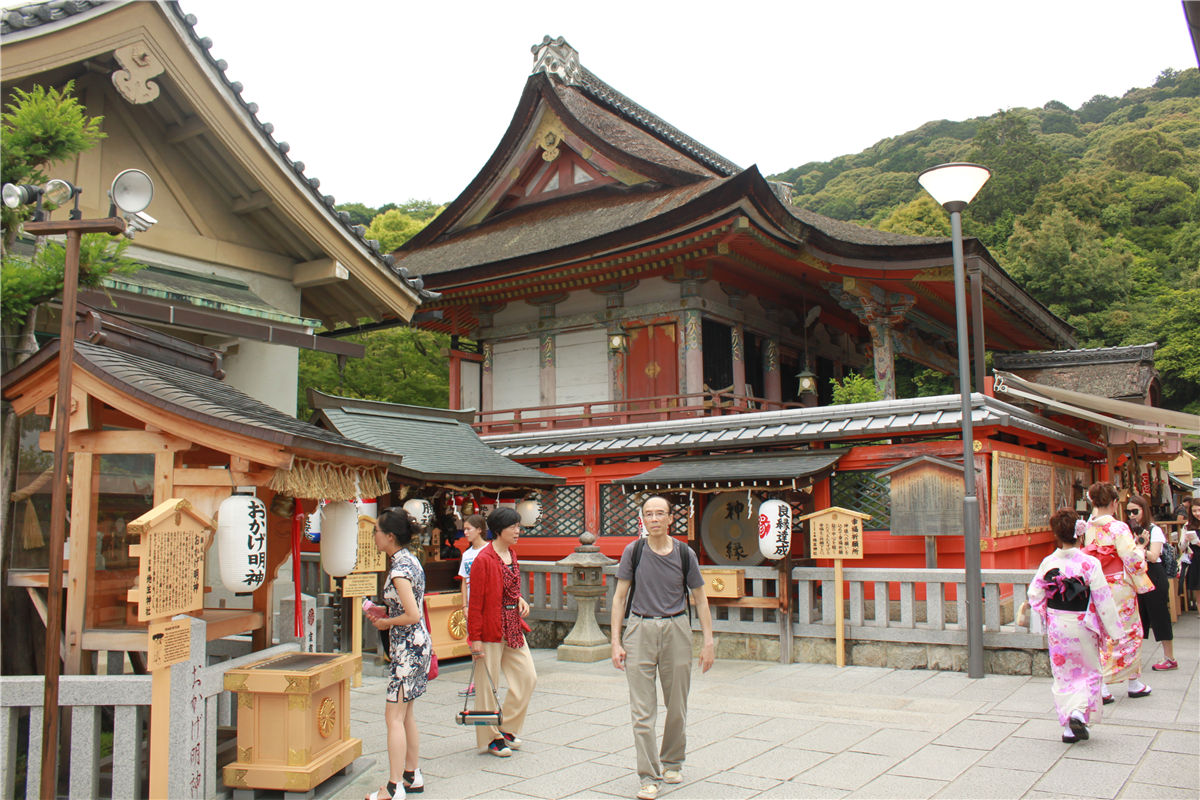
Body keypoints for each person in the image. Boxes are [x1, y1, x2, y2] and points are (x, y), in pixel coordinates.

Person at [610, 496, 715, 800]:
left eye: (660, 514)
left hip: (677, 628)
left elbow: (700, 598)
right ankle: (648, 775)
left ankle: (672, 760)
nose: (654, 519)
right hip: (639, 628)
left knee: (677, 705)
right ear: (642, 519)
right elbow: (619, 598)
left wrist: (708, 641)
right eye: (648, 514)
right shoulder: (635, 551)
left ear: (671, 518)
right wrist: (615, 641)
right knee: (642, 711)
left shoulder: (685, 554)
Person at [1024, 509, 1122, 742]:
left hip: (1059, 625)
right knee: (1089, 671)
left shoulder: (1049, 562)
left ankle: (1069, 726)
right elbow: (1102, 598)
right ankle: (1079, 712)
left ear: (1056, 535)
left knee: (1064, 674)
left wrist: (1045, 610)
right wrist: (1114, 630)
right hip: (1083, 624)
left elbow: (1034, 594)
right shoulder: (1090, 563)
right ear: (1080, 535)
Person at [367, 508, 433, 799]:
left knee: (393, 715)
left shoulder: (398, 570)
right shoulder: (410, 561)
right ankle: (411, 773)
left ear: (390, 536)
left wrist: (385, 621)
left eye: (377, 531)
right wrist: (388, 612)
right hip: (417, 645)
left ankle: (393, 787)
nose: (374, 536)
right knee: (406, 714)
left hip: (407, 648)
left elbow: (412, 613)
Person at [467, 507, 537, 757]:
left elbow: (507, 585)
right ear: (499, 530)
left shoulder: (512, 554)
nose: (518, 531)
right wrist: (474, 639)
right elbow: (475, 603)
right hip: (489, 629)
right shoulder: (483, 560)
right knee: (488, 687)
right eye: (514, 527)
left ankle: (506, 727)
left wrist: (519, 598)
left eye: (518, 526)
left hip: (513, 625)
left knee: (528, 677)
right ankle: (491, 738)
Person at [1082, 482, 1153, 703]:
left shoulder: (1088, 526)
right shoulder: (1118, 528)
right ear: (1114, 503)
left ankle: (1133, 681)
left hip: (1099, 584)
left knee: (1104, 631)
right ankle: (1104, 684)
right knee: (1128, 631)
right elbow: (1132, 560)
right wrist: (1141, 550)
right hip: (1119, 586)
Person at [1126, 494, 1176, 670]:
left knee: (1159, 615)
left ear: (1143, 510)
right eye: (1128, 512)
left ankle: (1169, 657)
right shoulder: (1128, 531)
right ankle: (1134, 658)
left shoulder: (1154, 530)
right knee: (1137, 618)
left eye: (1135, 511)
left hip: (1153, 574)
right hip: (1136, 575)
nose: (1131, 515)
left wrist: (1139, 546)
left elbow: (1154, 556)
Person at [457, 514, 487, 697]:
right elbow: (464, 581)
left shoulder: (489, 550)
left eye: (469, 529)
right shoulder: (467, 554)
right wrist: (464, 605)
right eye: (465, 529)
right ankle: (476, 681)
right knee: (473, 642)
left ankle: (486, 680)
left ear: (479, 530)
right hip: (472, 605)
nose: (466, 532)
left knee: (488, 643)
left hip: (485, 603)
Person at [1182, 502, 1200, 613]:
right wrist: (1185, 540)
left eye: (1199, 510)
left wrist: (1198, 542)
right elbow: (1181, 547)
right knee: (1198, 591)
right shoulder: (1187, 525)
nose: (1197, 513)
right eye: (1194, 511)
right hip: (1196, 559)